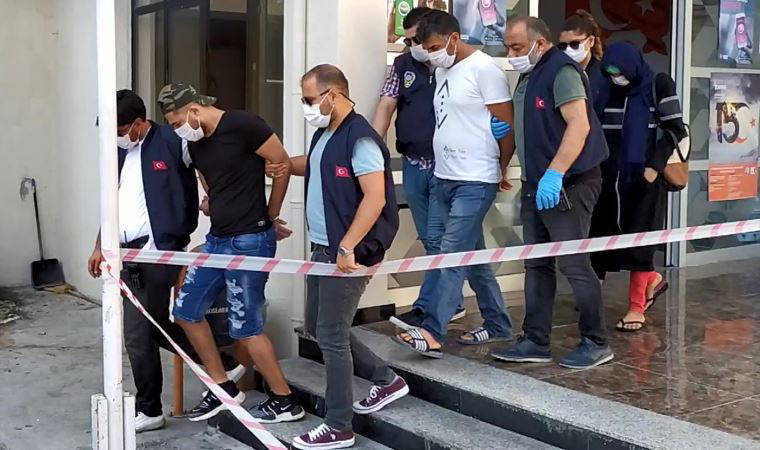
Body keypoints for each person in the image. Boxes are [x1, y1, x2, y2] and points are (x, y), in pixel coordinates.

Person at [86, 90, 244, 432]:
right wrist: (100, 244)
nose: (115, 138)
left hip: (159, 251)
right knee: (154, 325)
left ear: (138, 123)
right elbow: (112, 204)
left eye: (120, 130)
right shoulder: (118, 153)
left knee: (136, 333)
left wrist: (213, 198)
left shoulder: (173, 141)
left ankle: (150, 409)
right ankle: (223, 363)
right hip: (124, 253)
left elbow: (209, 166)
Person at [157, 83, 304, 424]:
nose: (177, 130)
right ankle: (222, 386)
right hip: (217, 240)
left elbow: (280, 163)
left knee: (245, 327)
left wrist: (270, 214)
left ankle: (285, 400)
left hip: (250, 241)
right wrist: (213, 200)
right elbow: (209, 180)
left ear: (194, 109)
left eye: (177, 122)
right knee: (185, 311)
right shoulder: (195, 143)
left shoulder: (243, 124)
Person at [285, 64, 408, 449]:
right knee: (316, 324)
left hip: (349, 252)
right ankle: (386, 380)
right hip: (323, 249)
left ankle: (339, 425)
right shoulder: (325, 134)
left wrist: (347, 245)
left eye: (310, 99)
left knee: (332, 334)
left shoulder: (362, 139)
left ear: (333, 95)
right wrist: (283, 164)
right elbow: (317, 164)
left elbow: (375, 198)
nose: (307, 107)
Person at [490, 17, 613, 369]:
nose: (511, 54)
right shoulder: (530, 75)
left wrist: (555, 173)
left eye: (516, 47)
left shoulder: (562, 72)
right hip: (537, 183)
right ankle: (535, 340)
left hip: (570, 182)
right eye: (508, 47)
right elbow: (530, 125)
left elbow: (579, 125)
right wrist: (505, 156)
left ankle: (596, 341)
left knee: (574, 263)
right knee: (537, 263)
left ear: (540, 43)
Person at [394, 10, 514, 358]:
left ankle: (432, 330)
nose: (431, 54)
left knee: (450, 253)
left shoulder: (485, 70)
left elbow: (506, 127)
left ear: (454, 38)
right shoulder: (444, 69)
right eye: (426, 48)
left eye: (435, 47)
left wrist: (502, 168)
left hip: (474, 179)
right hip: (444, 177)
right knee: (469, 256)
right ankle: (498, 323)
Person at [372, 6, 468, 329]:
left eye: (416, 39)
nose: (412, 45)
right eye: (408, 40)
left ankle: (430, 305)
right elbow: (386, 106)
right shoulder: (402, 66)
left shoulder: (453, 65)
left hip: (446, 166)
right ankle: (451, 301)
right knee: (430, 239)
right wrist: (372, 149)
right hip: (415, 164)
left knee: (439, 240)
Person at [596, 42, 687, 332]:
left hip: (643, 179)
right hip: (607, 179)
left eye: (620, 72)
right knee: (601, 237)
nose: (616, 77)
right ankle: (645, 282)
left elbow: (675, 129)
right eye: (610, 72)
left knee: (640, 242)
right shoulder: (604, 89)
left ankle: (637, 307)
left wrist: (653, 167)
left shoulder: (657, 84)